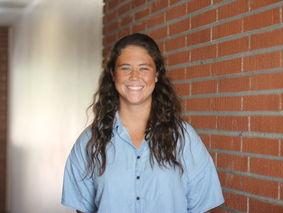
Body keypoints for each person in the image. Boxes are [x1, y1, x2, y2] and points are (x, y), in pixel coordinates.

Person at [61, 33, 224, 213]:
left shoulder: (183, 138)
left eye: (144, 68)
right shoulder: (89, 142)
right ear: (113, 75)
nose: (134, 76)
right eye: (125, 68)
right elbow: (82, 209)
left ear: (156, 75)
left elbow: (206, 206)